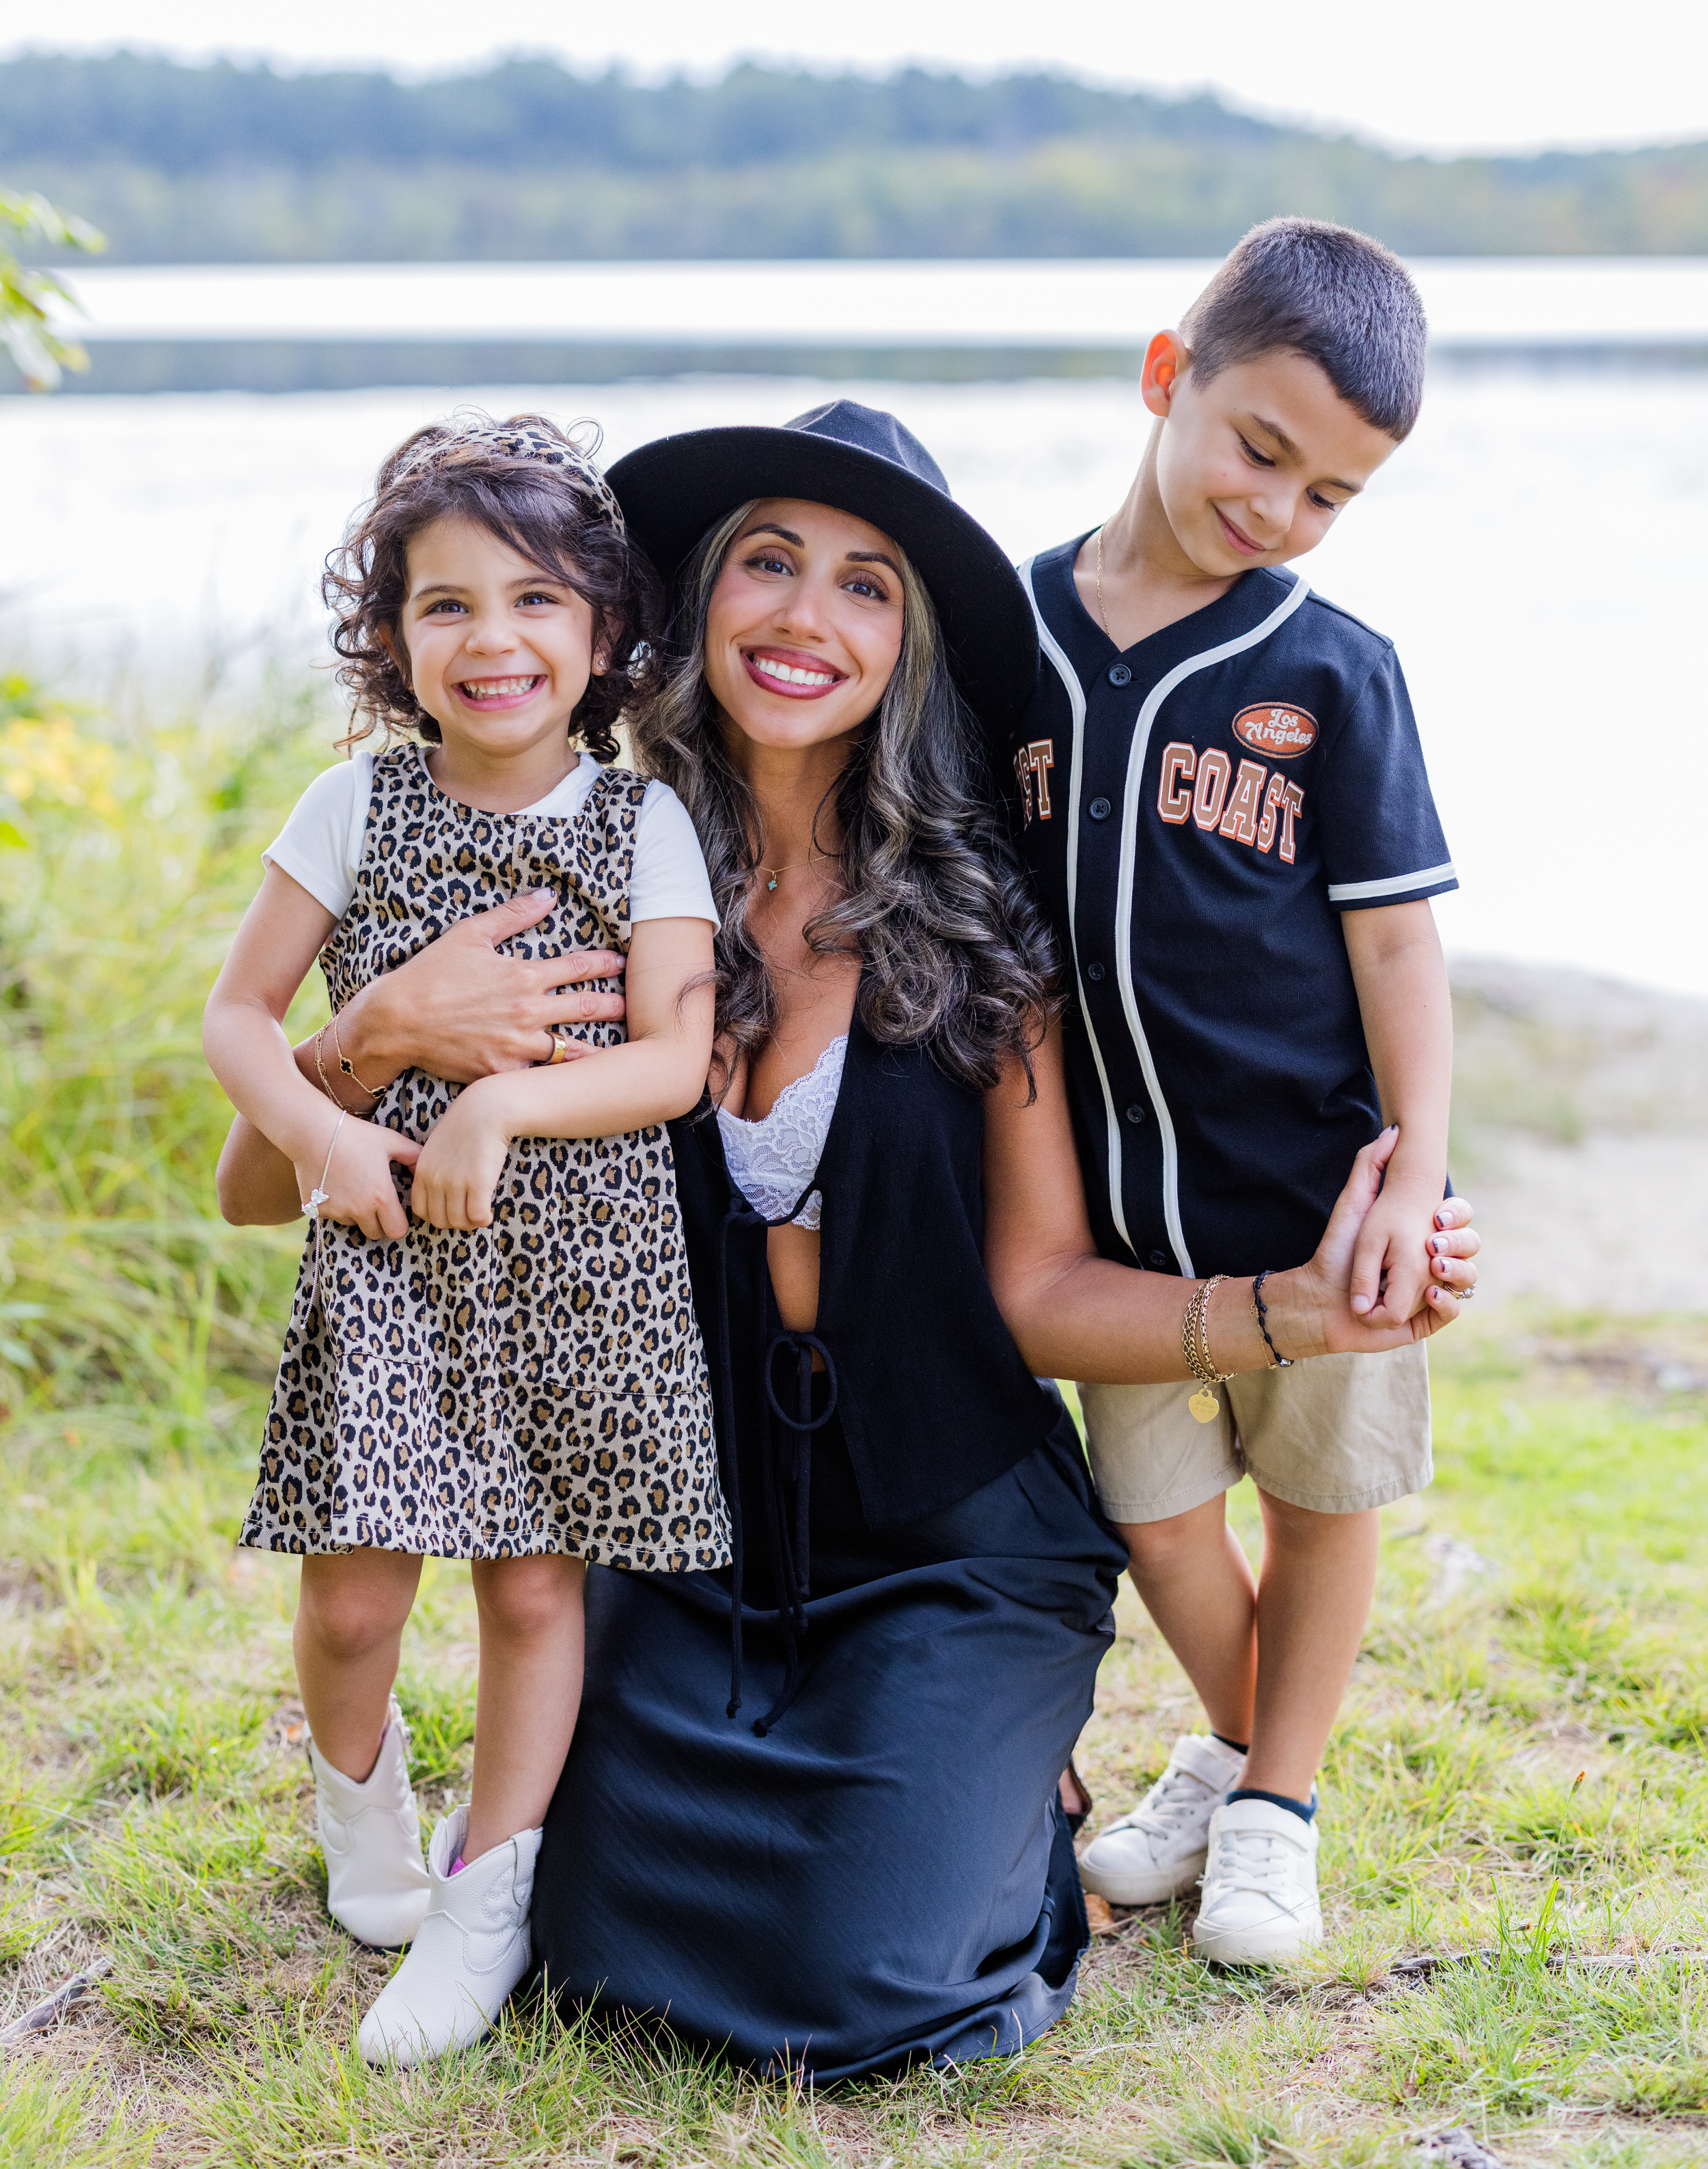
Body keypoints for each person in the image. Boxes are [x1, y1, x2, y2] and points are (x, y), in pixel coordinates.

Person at [217, 400, 1480, 2083]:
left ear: (912, 642)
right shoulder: (596, 862)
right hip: (685, 1530)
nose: (809, 618)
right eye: (768, 563)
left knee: (856, 1973)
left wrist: (1290, 1313)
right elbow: (255, 1186)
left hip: (946, 1534)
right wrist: (366, 1034)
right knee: (596, 1939)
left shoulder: (978, 925)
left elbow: (1032, 1292)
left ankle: (1006, 1783)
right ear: (693, 600)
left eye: (867, 585)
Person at [203, 414, 728, 2068]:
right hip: (388, 1266)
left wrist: (501, 1111)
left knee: (530, 1589)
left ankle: (487, 1894)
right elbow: (235, 1017)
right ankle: (363, 1815)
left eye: (534, 603)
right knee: (354, 1597)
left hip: (580, 1264)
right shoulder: (351, 801)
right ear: (392, 638)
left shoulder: (640, 821)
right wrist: (325, 1124)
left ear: (601, 636)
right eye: (444, 607)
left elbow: (671, 1057)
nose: (491, 640)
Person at [1010, 219, 1459, 1964]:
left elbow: (1398, 952)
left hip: (1317, 1195)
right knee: (1154, 1511)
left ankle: (1272, 1806)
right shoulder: (1015, 635)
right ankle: (1236, 1746)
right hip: (1118, 1223)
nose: (1275, 510)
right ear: (1162, 380)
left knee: (1320, 1502)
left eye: (1328, 493)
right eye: (1258, 449)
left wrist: (1415, 1168)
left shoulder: (1331, 671)